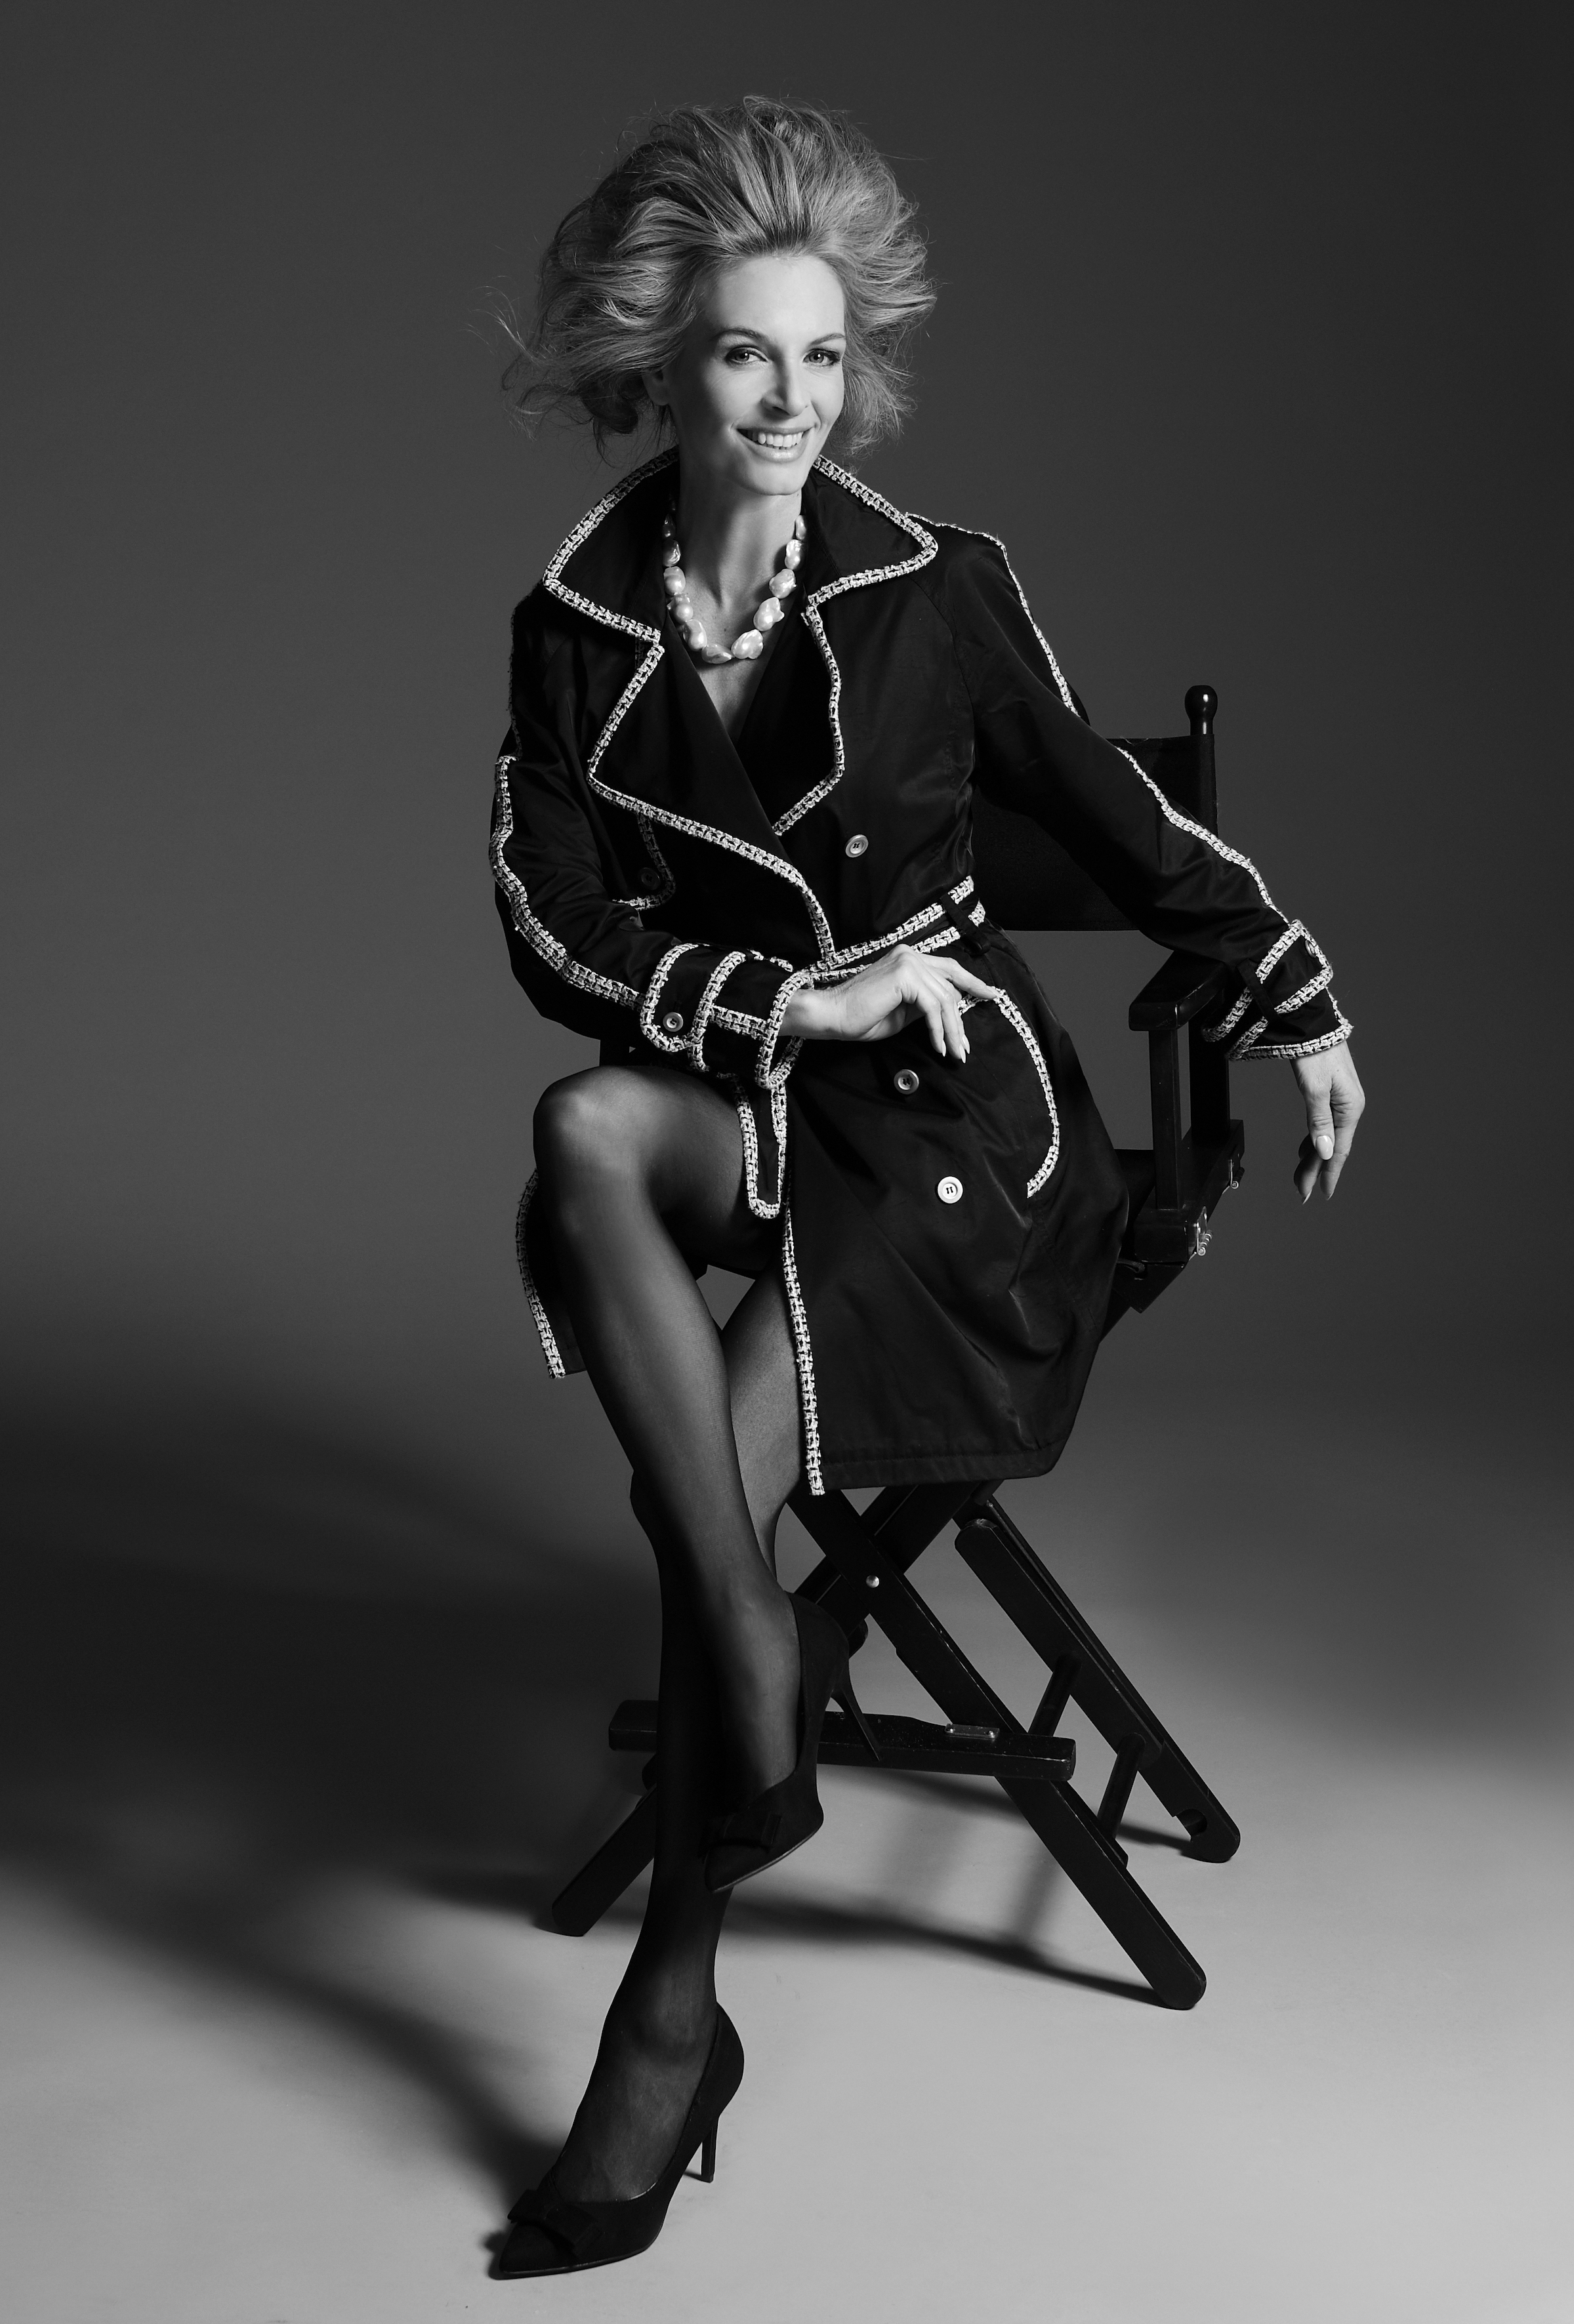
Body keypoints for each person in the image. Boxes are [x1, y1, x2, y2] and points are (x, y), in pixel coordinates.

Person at [490, 96, 1364, 2276]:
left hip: (954, 1128)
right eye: (743, 356)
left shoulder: (934, 588)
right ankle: (760, 1644)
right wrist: (791, 1003)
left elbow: (1127, 831)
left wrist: (1293, 992)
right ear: (665, 365)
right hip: (766, 1080)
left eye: (820, 357)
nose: (789, 401)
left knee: (717, 1478)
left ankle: (669, 2014)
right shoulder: (575, 621)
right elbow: (546, 922)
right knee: (583, 1131)